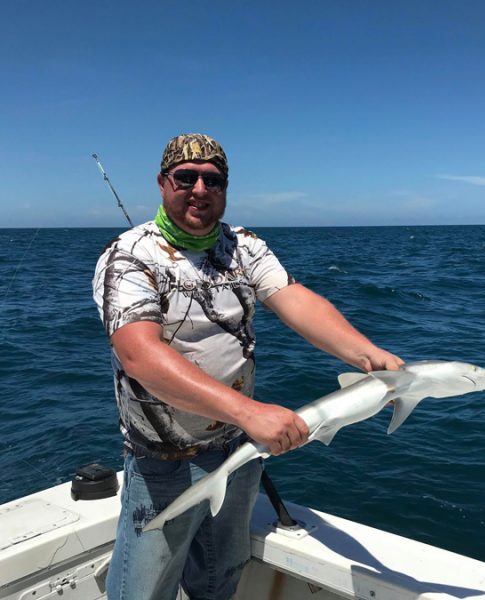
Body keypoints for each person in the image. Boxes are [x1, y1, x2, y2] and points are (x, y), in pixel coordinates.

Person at [92, 133, 404, 600]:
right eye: (186, 177)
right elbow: (139, 355)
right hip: (162, 458)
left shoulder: (244, 246)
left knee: (219, 578)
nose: (200, 189)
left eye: (213, 180)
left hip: (240, 450)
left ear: (225, 187)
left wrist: (366, 354)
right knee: (142, 591)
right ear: (162, 183)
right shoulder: (129, 257)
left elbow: (293, 299)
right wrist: (249, 412)